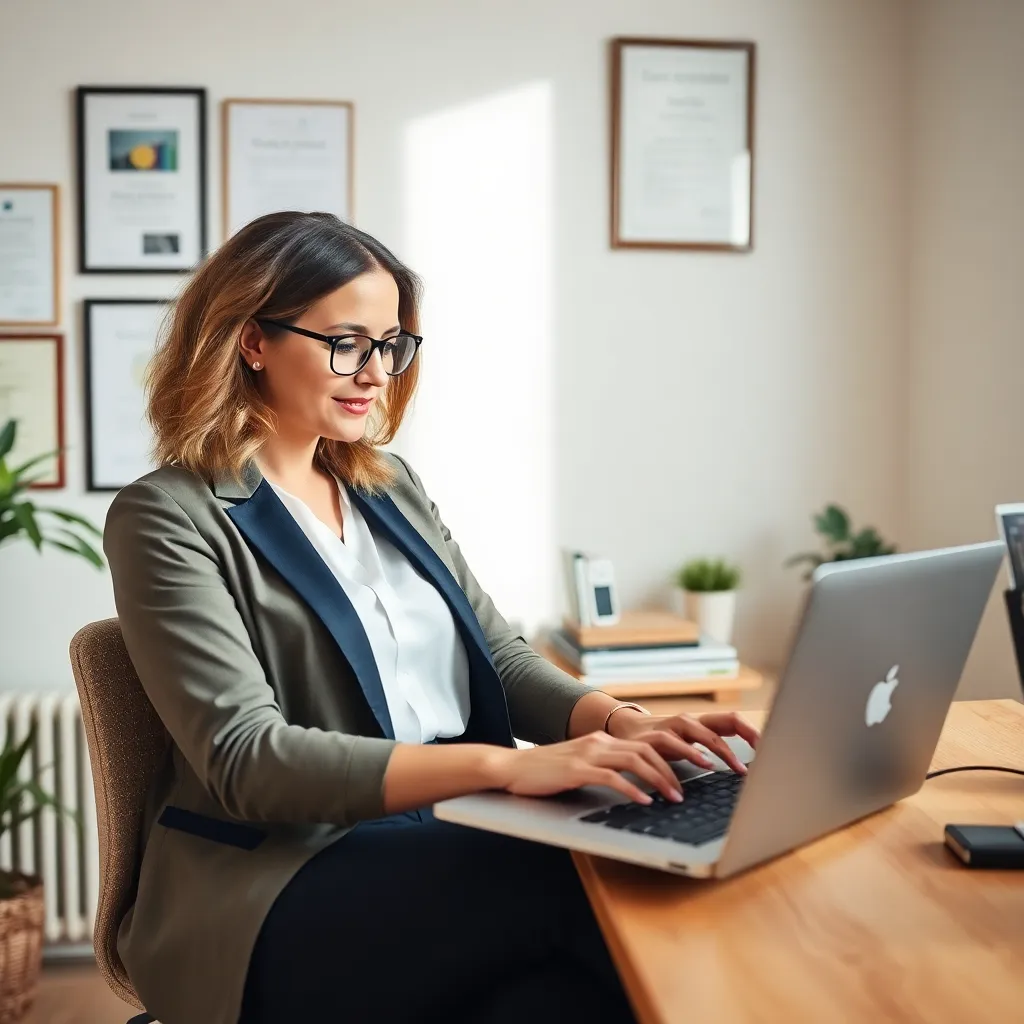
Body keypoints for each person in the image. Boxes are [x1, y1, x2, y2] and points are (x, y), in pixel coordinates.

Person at [103, 211, 761, 1024]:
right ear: (253, 341)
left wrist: (620, 723)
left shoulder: (389, 486)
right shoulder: (168, 516)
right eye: (347, 341)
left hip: (442, 837)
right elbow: (245, 758)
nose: (374, 372)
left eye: (390, 345)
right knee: (586, 885)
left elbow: (499, 655)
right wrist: (508, 769)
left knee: (557, 1000)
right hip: (276, 880)